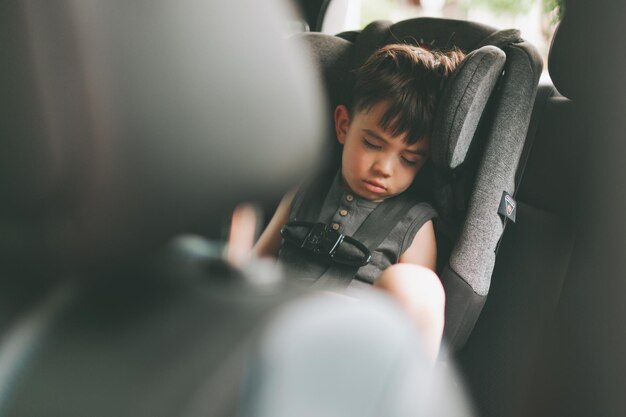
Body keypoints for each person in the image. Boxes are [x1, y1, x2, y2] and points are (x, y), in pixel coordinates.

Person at [254, 44, 465, 359]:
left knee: (417, 284)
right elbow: (258, 262)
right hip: (274, 331)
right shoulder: (305, 188)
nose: (385, 168)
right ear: (343, 126)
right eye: (372, 143)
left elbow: (414, 316)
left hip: (350, 350)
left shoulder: (415, 224)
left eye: (408, 160)